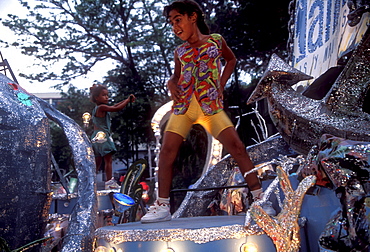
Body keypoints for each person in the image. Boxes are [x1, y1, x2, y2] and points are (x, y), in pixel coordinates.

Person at [141, 0, 275, 223]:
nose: (175, 27)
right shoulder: (180, 52)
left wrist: (221, 85)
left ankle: (259, 198)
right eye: (171, 23)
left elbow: (230, 60)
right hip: (184, 107)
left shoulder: (215, 41)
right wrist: (170, 83)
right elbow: (175, 77)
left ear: (192, 17)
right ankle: (162, 205)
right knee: (166, 152)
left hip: (210, 107)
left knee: (237, 148)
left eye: (178, 20)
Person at [90, 84, 136, 190]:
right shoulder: (102, 107)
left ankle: (91, 182)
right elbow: (117, 108)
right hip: (103, 136)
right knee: (108, 160)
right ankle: (109, 182)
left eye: (107, 95)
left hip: (95, 136)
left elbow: (115, 106)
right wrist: (127, 101)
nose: (107, 97)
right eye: (103, 95)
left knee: (97, 162)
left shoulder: (98, 108)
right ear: (97, 97)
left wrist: (126, 100)